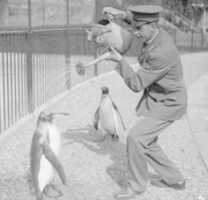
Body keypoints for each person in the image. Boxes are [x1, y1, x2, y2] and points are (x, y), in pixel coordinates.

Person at [103, 5, 188, 200]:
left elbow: (137, 83)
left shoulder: (162, 52)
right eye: (135, 28)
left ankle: (137, 187)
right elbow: (136, 21)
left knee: (136, 138)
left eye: (139, 29)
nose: (136, 33)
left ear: (151, 26)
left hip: (169, 103)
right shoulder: (155, 31)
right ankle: (175, 180)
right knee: (147, 142)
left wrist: (119, 61)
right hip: (159, 98)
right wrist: (120, 15)